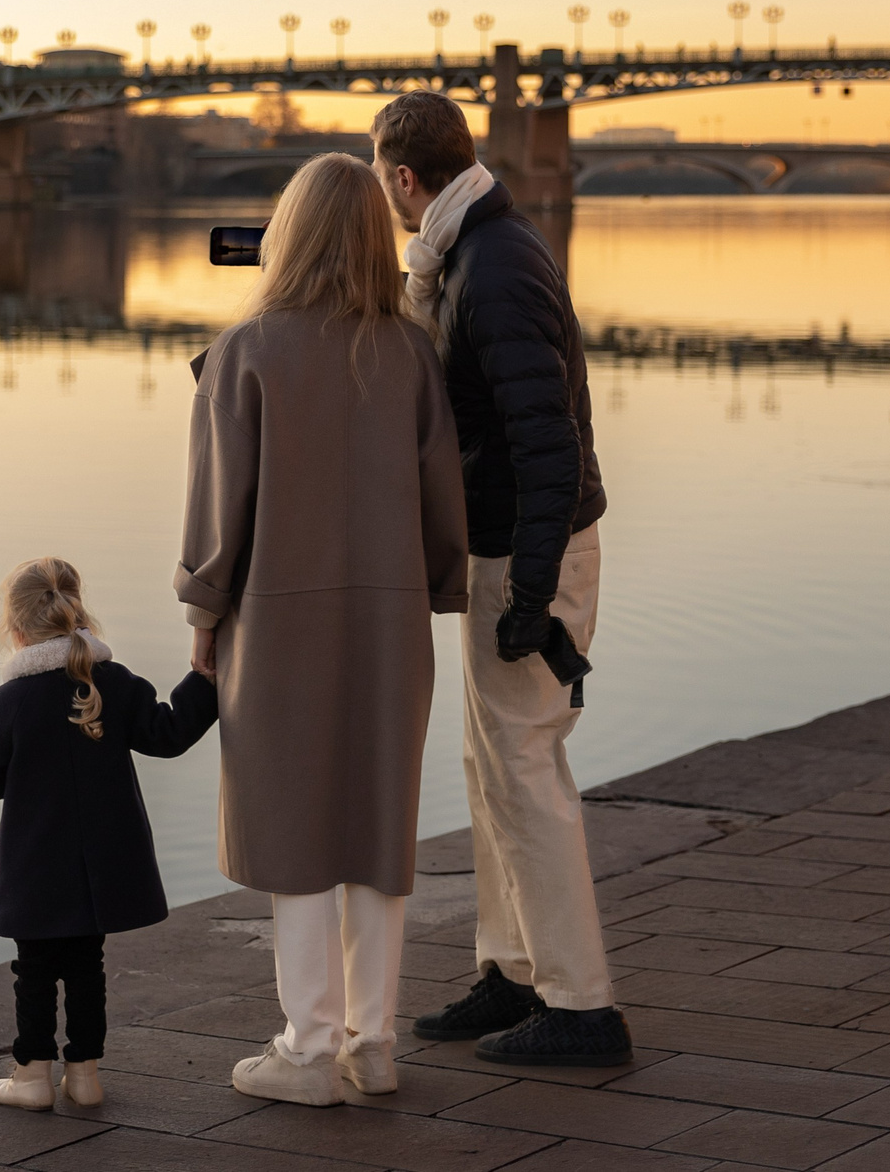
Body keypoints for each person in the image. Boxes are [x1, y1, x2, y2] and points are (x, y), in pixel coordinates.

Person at [177, 153, 470, 1106]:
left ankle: (307, 1047)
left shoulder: (247, 349)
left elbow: (222, 510)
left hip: (277, 621)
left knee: (293, 828)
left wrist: (201, 612)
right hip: (390, 620)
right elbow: (442, 499)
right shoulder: (413, 350)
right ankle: (371, 1041)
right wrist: (436, 588)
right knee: (375, 824)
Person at [369, 91, 631, 1069]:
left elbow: (547, 436)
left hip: (535, 548)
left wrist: (528, 593)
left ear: (403, 178)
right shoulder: (468, 251)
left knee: (525, 771)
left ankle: (582, 1005)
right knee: (492, 773)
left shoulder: (496, 267)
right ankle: (512, 972)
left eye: (381, 182)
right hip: (509, 545)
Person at [0, 557, 218, 1111]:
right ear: (78, 612)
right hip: (105, 864)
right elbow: (169, 733)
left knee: (34, 970)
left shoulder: (10, 701)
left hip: (36, 864)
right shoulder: (115, 683)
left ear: (17, 629)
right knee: (86, 965)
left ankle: (31, 1076)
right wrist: (205, 681)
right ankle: (84, 1074)